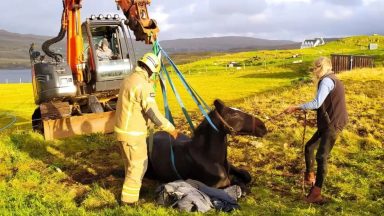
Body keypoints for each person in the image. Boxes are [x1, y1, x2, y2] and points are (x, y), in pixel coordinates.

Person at [114, 52, 179, 205]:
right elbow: (153, 113)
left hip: (122, 132)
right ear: (151, 70)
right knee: (138, 166)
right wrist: (170, 128)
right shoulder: (143, 85)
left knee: (130, 165)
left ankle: (131, 191)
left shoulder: (129, 79)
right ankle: (129, 202)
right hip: (133, 135)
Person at [284, 56, 348, 204]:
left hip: (332, 124)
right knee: (309, 147)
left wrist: (296, 107)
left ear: (323, 67)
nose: (314, 71)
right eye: (314, 68)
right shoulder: (332, 79)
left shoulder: (326, 80)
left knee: (321, 156)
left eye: (316, 68)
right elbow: (324, 104)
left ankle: (316, 192)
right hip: (327, 123)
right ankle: (310, 177)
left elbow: (317, 103)